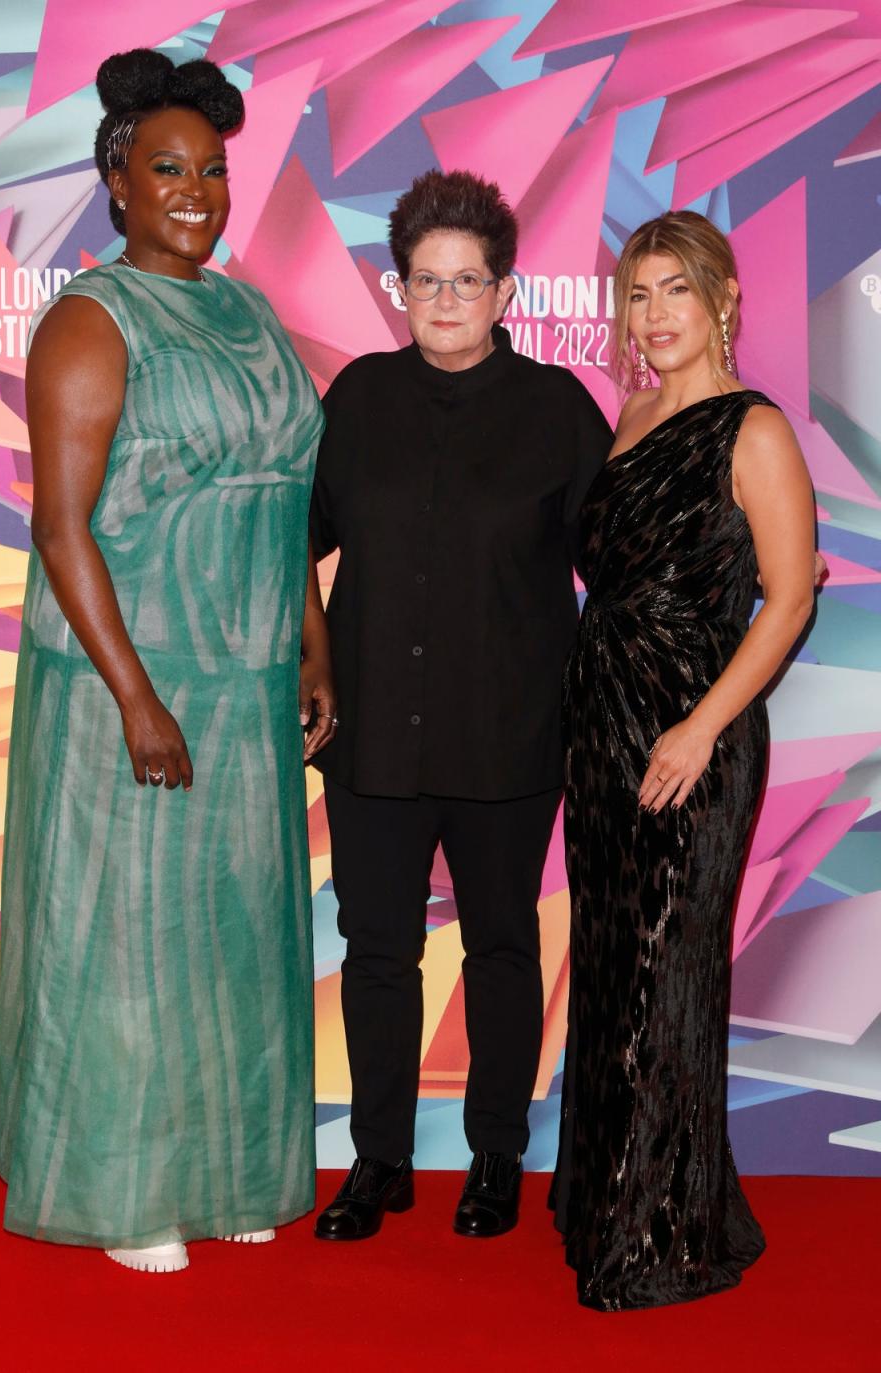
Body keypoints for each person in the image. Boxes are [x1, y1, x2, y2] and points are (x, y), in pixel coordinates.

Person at [0, 49, 334, 1274]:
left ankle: (223, 1164)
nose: (196, 190)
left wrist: (311, 641)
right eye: (167, 169)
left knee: (235, 939)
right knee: (128, 940)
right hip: (127, 680)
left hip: (241, 683)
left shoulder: (248, 311)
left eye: (213, 170)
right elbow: (61, 526)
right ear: (117, 185)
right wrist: (137, 695)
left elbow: (283, 489)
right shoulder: (92, 317)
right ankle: (125, 1186)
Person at [309, 171, 613, 1241]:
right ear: (399, 288)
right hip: (373, 736)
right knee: (377, 950)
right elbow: (292, 546)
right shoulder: (356, 399)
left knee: (501, 947)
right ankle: (378, 1160)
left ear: (503, 292)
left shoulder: (559, 412)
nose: (444, 299)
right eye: (424, 280)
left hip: (509, 735)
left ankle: (495, 1157)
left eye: (466, 280)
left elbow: (617, 570)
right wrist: (313, 665)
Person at [551, 211, 815, 1309]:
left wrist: (701, 725)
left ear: (723, 301)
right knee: (615, 973)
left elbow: (790, 595)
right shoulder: (633, 412)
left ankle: (658, 1234)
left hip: (691, 734)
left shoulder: (752, 429)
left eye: (674, 293)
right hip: (603, 729)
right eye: (637, 297)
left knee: (666, 975)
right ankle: (629, 1195)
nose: (653, 317)